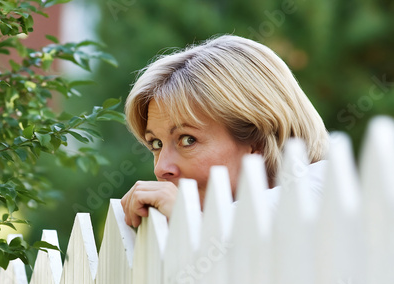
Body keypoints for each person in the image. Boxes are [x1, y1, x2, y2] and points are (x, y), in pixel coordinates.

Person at [121, 35, 329, 228]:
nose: (160, 168)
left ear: (257, 144)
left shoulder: (324, 188)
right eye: (156, 144)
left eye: (187, 140)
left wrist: (192, 218)